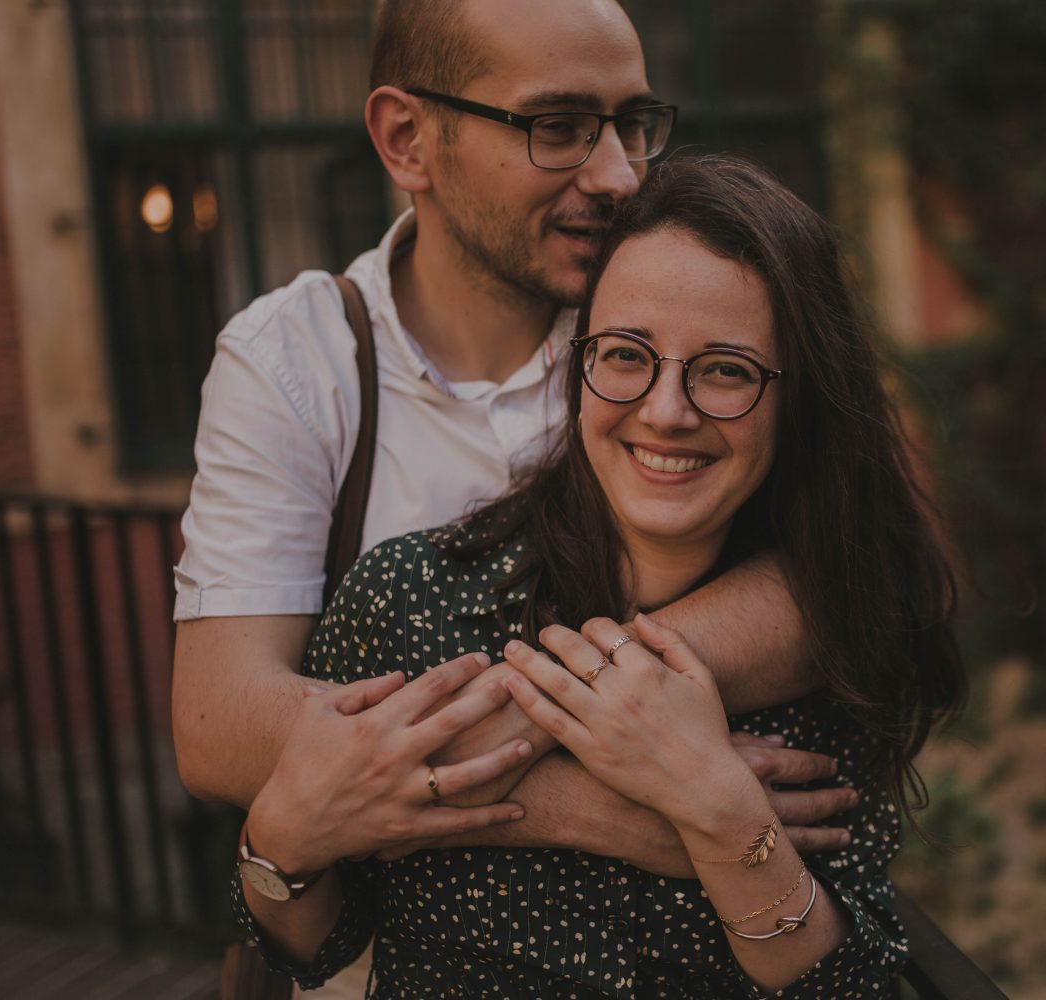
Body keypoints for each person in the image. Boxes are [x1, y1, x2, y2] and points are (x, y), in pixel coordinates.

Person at [172, 1, 850, 995]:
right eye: (559, 127)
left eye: (630, 124)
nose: (619, 173)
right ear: (408, 138)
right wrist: (611, 802)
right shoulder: (295, 360)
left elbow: (862, 563)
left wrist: (607, 720)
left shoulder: (656, 330)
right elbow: (221, 724)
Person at [234, 155, 967, 997]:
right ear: (578, 364)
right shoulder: (410, 599)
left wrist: (717, 808)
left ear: (796, 397)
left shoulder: (834, 637)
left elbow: (853, 988)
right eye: (625, 355)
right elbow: (309, 944)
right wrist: (280, 836)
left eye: (725, 370)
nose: (666, 410)